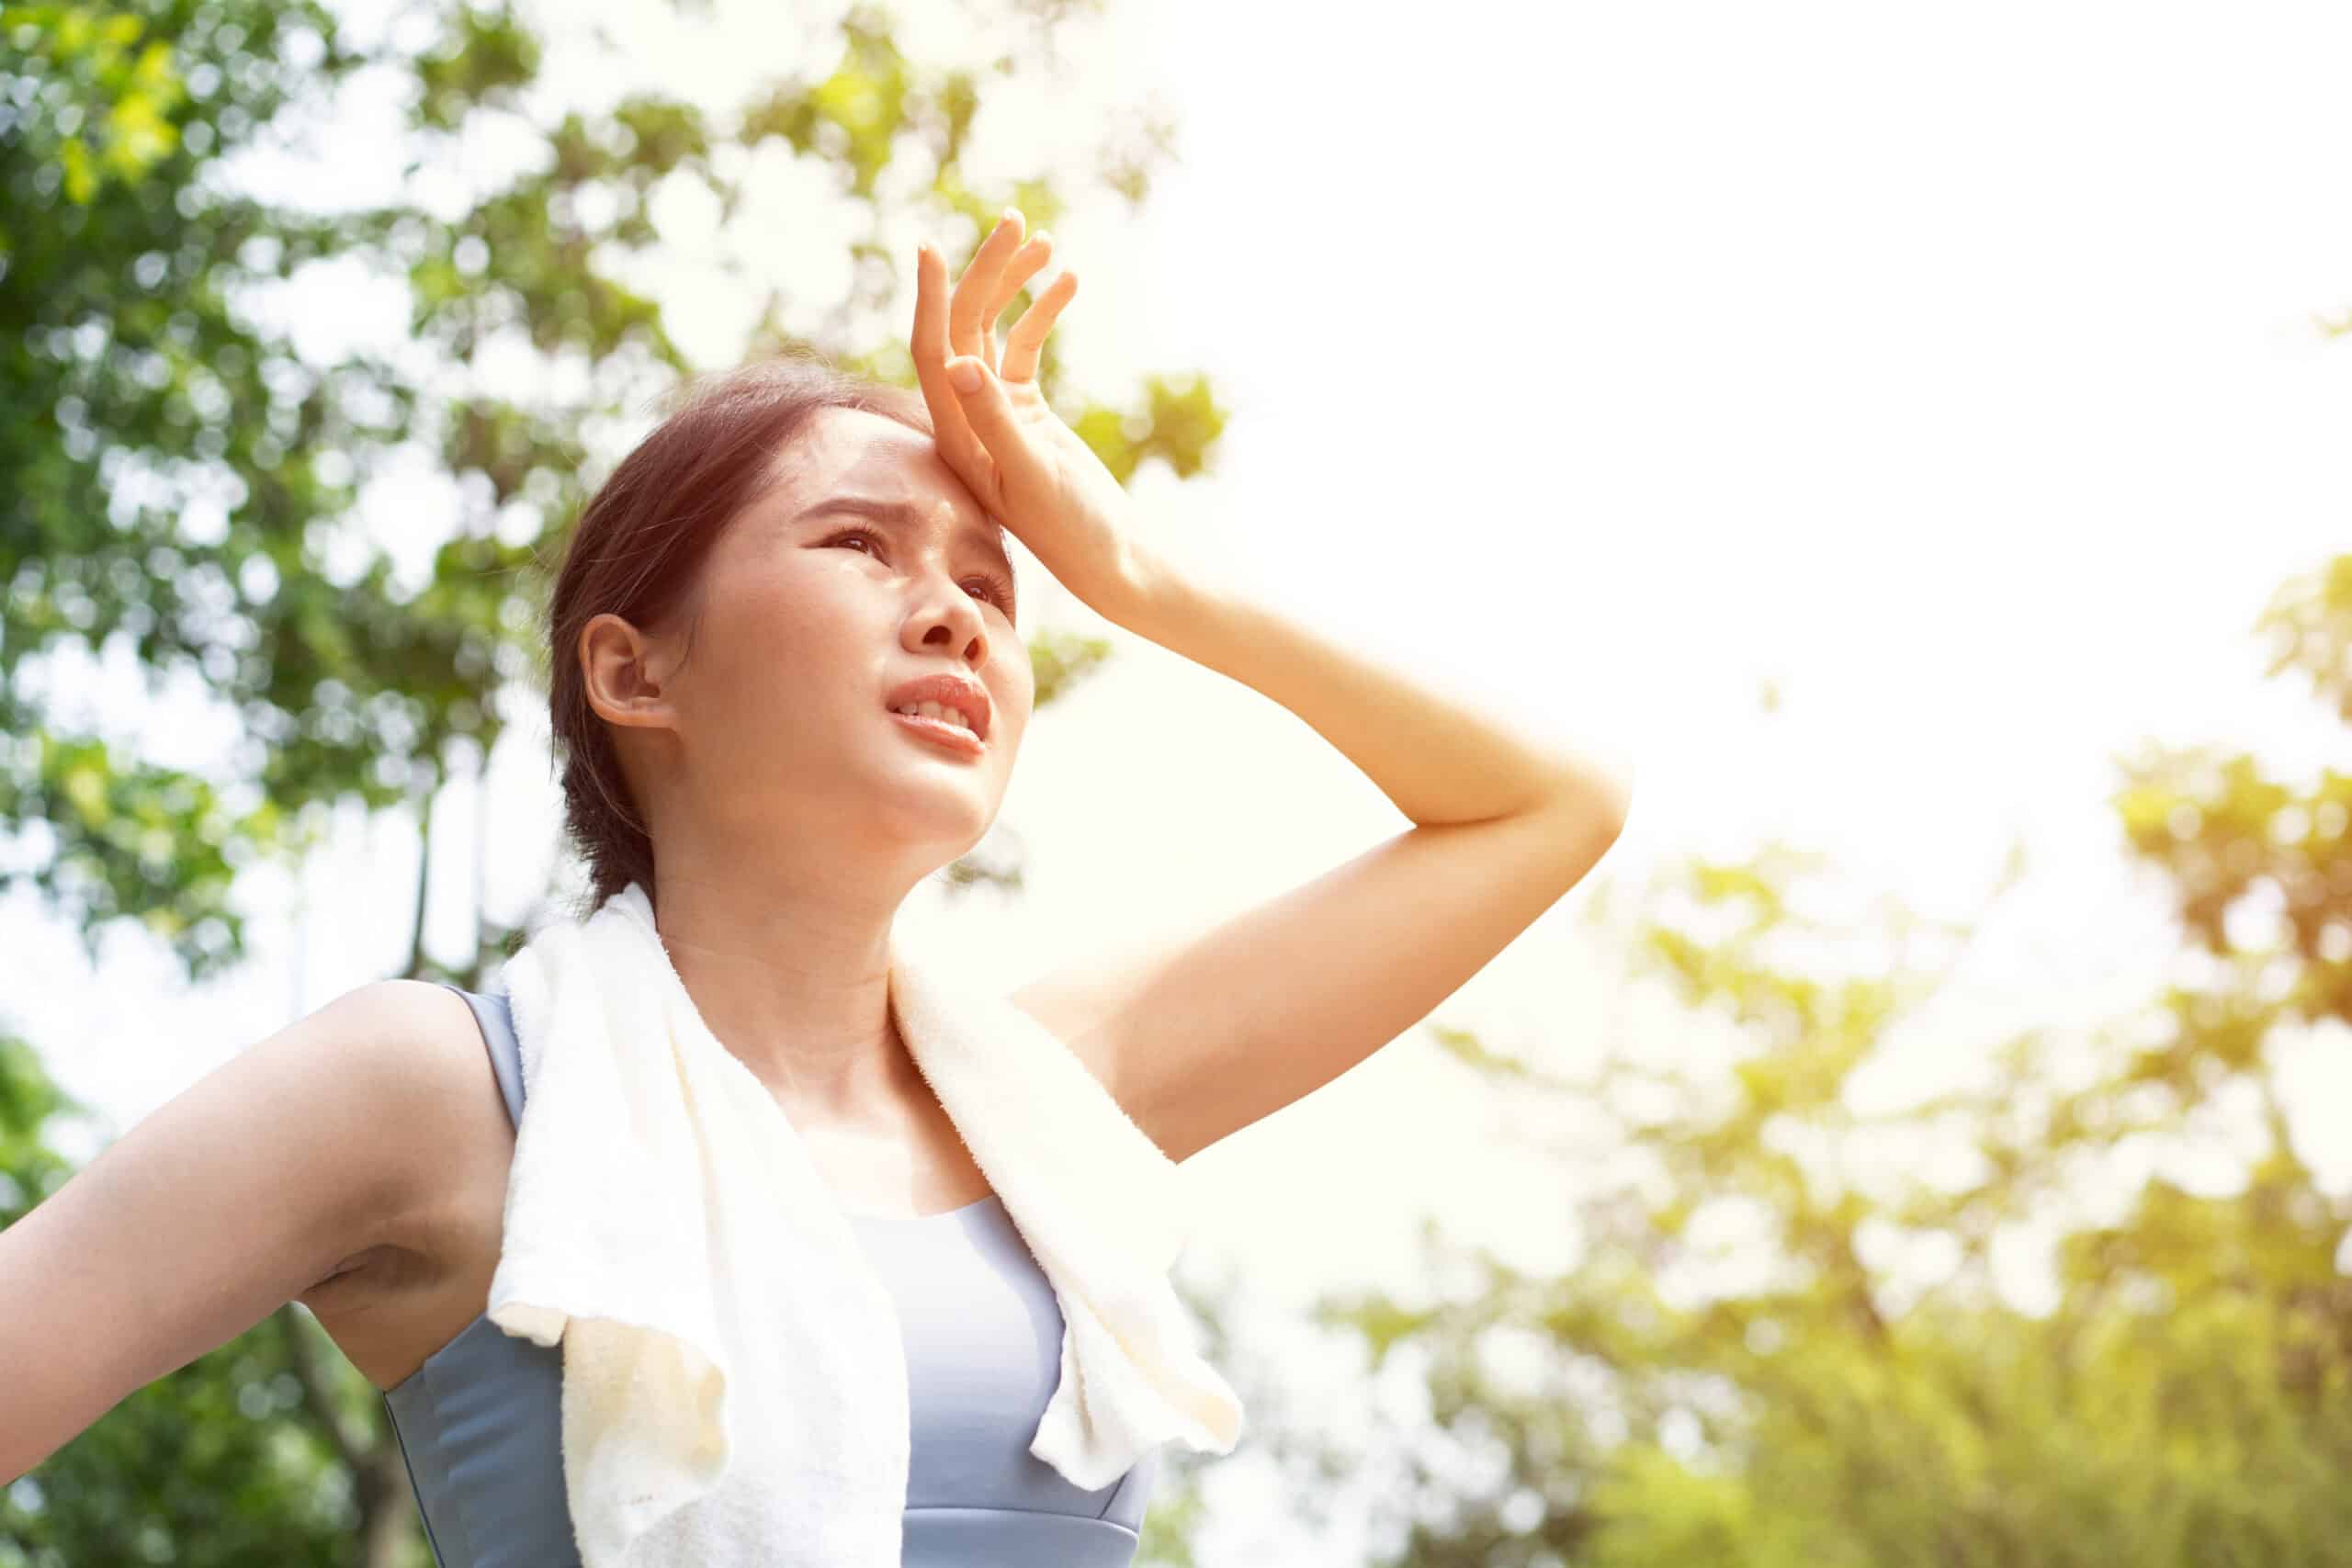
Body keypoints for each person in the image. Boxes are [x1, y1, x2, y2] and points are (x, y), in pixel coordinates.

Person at [0, 209, 1632, 1563]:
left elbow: (1545, 807)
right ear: (639, 674)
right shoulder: (442, 1092)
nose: (957, 615)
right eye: (862, 547)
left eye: (992, 584)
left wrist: (1145, 578)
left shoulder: (1055, 1096)